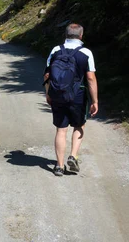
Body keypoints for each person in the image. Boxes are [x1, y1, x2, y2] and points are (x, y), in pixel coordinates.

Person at [43, 23, 98, 176]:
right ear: (81, 36)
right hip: (77, 95)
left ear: (65, 35)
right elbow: (91, 78)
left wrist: (48, 93)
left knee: (61, 130)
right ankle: (73, 156)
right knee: (79, 125)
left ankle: (59, 166)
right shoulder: (86, 53)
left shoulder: (55, 50)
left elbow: (47, 75)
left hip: (58, 95)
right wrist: (95, 101)